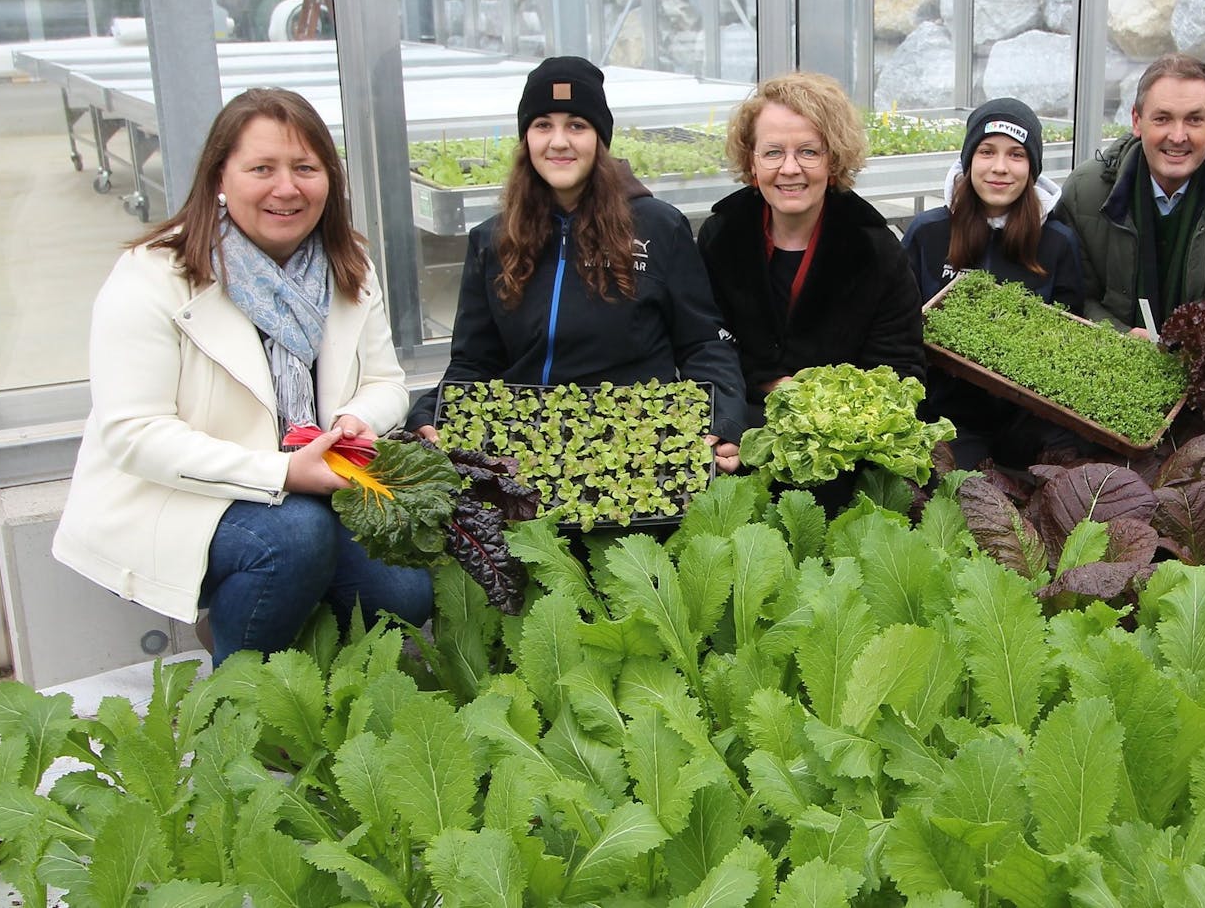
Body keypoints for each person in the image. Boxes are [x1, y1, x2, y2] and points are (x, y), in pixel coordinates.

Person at [52, 88, 432, 666]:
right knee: (295, 537)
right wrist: (281, 471)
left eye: (306, 168)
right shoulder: (153, 275)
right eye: (262, 169)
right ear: (219, 179)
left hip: (314, 480)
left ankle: (299, 641)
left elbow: (384, 381)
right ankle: (242, 688)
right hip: (180, 497)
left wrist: (356, 421)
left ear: (329, 179)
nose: (287, 188)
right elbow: (134, 433)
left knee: (406, 594)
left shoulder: (347, 262)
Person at [407, 56, 746, 473]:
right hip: (524, 448)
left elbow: (703, 343)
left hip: (636, 449)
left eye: (577, 125)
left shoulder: (658, 227)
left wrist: (723, 418)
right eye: (543, 124)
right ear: (526, 138)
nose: (559, 141)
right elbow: (475, 362)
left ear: (600, 139)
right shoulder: (493, 240)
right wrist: (434, 411)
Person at [696, 70, 925, 416]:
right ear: (751, 162)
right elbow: (704, 343)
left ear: (833, 160)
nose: (790, 168)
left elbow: (898, 368)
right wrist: (767, 385)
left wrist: (814, 402)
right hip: (739, 423)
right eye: (773, 152)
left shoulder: (876, 252)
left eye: (808, 152)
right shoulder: (720, 238)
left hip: (843, 436)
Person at [901, 97, 1085, 467]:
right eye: (987, 152)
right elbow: (898, 329)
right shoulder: (928, 233)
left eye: (1016, 155)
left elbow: (1072, 338)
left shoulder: (1057, 242)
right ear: (969, 161)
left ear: (1032, 167)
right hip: (946, 419)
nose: (999, 168)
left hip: (1030, 423)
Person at [1059, 52, 1205, 332]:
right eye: (1162, 118)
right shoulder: (1085, 191)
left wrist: (1195, 351)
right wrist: (1121, 340)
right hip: (1108, 367)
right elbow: (1071, 299)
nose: (1177, 136)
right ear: (1136, 120)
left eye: (1194, 120)